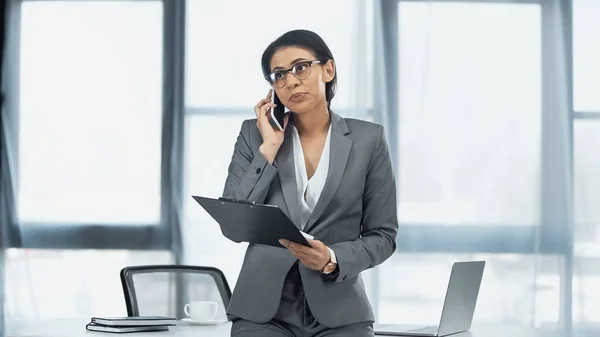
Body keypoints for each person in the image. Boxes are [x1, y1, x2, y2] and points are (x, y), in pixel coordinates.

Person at [222, 29, 398, 337]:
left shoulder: (369, 140)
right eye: (278, 75)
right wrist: (270, 147)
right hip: (263, 312)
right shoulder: (254, 135)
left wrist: (331, 258)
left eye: (301, 67)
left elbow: (383, 235)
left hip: (340, 309)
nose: (290, 81)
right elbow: (235, 222)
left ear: (327, 70)